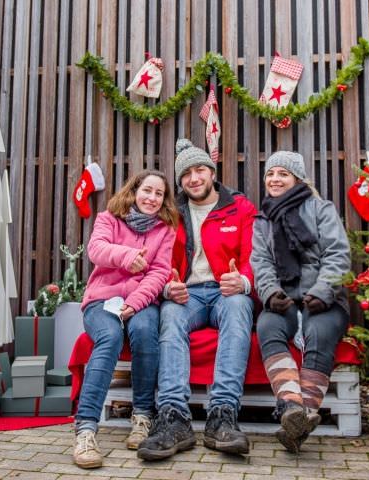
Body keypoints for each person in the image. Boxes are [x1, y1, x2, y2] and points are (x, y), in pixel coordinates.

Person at [137, 139, 257, 461]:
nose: (194, 178)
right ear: (180, 181)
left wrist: (243, 280)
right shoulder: (170, 213)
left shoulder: (239, 207)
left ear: (211, 172)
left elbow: (254, 256)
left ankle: (222, 416)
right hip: (186, 293)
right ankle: (174, 419)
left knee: (238, 307)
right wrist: (166, 289)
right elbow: (156, 262)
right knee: (171, 315)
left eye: (199, 169)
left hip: (224, 292)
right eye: (186, 173)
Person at [73, 170, 178, 469]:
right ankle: (85, 430)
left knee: (145, 332)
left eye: (159, 194)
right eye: (147, 190)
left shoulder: (165, 229)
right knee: (110, 337)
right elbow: (96, 249)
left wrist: (134, 303)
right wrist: (127, 256)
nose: (152, 198)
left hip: (141, 301)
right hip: (102, 299)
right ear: (134, 190)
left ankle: (143, 417)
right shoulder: (109, 218)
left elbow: (159, 272)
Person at [250, 151, 350, 454]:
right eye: (270, 174)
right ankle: (293, 408)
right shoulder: (262, 220)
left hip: (324, 300)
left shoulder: (321, 209)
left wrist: (322, 290)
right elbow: (261, 262)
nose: (275, 179)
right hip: (286, 300)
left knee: (318, 333)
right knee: (267, 324)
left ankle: (298, 417)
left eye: (282, 174)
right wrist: (270, 292)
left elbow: (338, 254)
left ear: (296, 179)